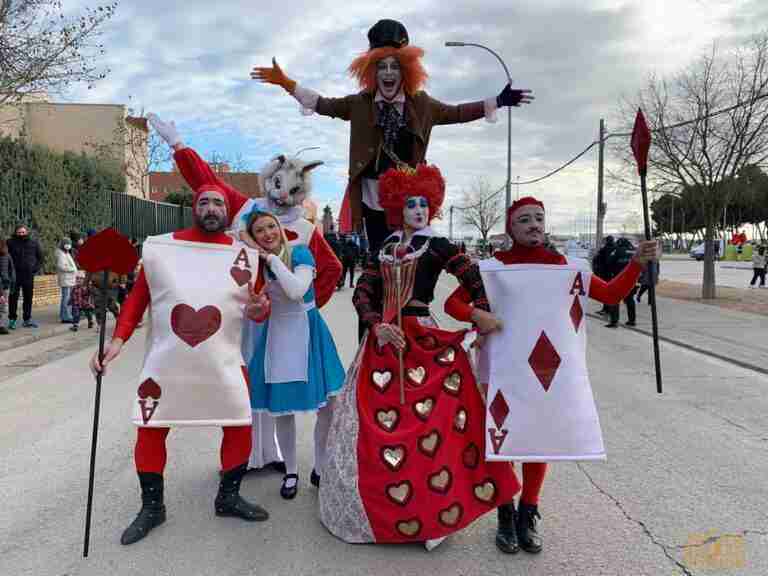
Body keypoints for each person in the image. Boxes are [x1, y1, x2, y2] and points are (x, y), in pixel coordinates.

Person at [319, 164, 520, 549]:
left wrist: (479, 319)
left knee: (432, 425)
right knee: (372, 418)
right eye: (411, 204)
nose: (418, 211)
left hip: (423, 337)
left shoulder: (441, 246)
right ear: (397, 208)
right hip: (384, 340)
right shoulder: (384, 248)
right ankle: (386, 511)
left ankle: (434, 513)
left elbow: (475, 281)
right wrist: (376, 325)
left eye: (424, 205)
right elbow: (363, 292)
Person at [444, 196, 658, 555]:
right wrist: (478, 316)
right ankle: (505, 514)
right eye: (524, 219)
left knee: (537, 440)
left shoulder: (569, 267)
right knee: (502, 442)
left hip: (549, 371)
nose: (533, 224)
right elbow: (453, 304)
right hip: (499, 368)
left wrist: (637, 263)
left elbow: (611, 293)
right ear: (510, 228)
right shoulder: (490, 269)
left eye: (538, 218)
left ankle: (528, 512)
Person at [148, 112, 342, 475]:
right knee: (243, 382)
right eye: (278, 183)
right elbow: (206, 181)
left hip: (282, 321)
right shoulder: (249, 208)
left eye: (292, 187)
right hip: (244, 316)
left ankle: (273, 456)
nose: (283, 193)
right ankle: (247, 456)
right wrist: (177, 145)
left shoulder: (304, 227)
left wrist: (306, 305)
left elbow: (331, 269)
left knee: (274, 388)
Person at [251, 18, 533, 261]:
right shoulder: (360, 103)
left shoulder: (421, 104)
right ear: (371, 71)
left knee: (409, 257)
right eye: (381, 67)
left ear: (406, 71)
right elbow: (323, 104)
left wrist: (498, 100)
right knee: (379, 260)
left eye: (395, 66)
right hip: (373, 198)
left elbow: (457, 112)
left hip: (409, 198)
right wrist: (287, 83)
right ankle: (373, 319)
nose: (388, 73)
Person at [90, 182, 269, 546]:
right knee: (150, 425)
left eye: (218, 202)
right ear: (194, 208)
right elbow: (139, 297)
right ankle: (152, 507)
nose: (212, 208)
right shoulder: (162, 248)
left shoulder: (245, 255)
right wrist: (116, 341)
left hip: (224, 359)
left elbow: (258, 307)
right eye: (204, 202)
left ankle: (228, 497)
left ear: (226, 211)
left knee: (240, 423)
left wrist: (259, 311)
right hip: (167, 360)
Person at [240, 208, 345, 499]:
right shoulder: (253, 265)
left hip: (311, 334)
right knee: (282, 410)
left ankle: (319, 466)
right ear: (253, 237)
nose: (267, 234)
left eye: (271, 227)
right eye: (259, 230)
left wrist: (271, 258)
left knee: (329, 407)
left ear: (280, 228)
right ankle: (291, 471)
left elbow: (297, 290)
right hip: (277, 337)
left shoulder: (300, 254)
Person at [7, 224, 44, 329]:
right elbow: (5, 256)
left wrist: (34, 269)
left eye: (23, 232)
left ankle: (27, 319)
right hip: (14, 275)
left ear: (26, 232)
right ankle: (12, 319)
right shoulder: (10, 242)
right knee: (13, 297)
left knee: (28, 298)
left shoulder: (34, 243)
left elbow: (40, 258)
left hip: (28, 275)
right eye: (19, 232)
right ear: (16, 233)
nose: (21, 234)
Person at [605, 238, 637, 327]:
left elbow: (609, 262)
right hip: (632, 279)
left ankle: (614, 321)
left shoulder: (617, 251)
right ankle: (632, 320)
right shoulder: (634, 251)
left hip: (619, 279)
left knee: (614, 299)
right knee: (630, 300)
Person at [55, 237, 78, 323]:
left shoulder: (66, 253)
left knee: (67, 298)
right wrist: (72, 269)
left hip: (69, 279)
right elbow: (61, 266)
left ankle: (66, 315)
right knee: (66, 299)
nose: (68, 246)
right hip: (66, 279)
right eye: (66, 244)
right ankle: (66, 316)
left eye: (69, 244)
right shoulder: (61, 254)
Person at [591, 235, 615, 315]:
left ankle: (606, 309)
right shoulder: (616, 249)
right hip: (615, 274)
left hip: (606, 273)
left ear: (607, 241)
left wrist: (597, 271)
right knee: (612, 292)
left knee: (606, 291)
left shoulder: (604, 249)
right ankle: (611, 309)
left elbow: (597, 259)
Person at [0, 237, 16, 335]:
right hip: (3, 286)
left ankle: (1, 325)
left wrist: (12, 283)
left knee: (2, 307)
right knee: (2, 306)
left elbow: (12, 270)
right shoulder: (7, 255)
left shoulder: (7, 255)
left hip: (5, 285)